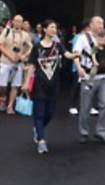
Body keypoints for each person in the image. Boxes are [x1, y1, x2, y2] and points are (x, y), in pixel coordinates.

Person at [22, 20, 79, 154]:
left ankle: (38, 128)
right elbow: (31, 65)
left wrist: (75, 54)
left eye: (55, 27)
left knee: (50, 112)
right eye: (52, 27)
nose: (54, 29)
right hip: (39, 83)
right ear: (45, 29)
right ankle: (42, 141)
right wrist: (26, 82)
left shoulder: (58, 45)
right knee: (40, 112)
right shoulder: (37, 47)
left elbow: (67, 54)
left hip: (54, 83)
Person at [74, 16, 105, 145]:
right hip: (88, 76)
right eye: (98, 23)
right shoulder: (83, 38)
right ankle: (84, 132)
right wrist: (79, 67)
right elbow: (76, 54)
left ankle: (101, 132)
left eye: (102, 23)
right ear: (90, 25)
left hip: (103, 76)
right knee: (85, 106)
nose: (101, 25)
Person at [0, 15, 33, 114]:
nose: (18, 23)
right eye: (16, 21)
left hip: (18, 63)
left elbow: (31, 46)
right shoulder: (6, 31)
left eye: (20, 22)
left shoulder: (25, 35)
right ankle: (3, 97)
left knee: (15, 85)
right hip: (5, 62)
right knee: (2, 85)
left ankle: (10, 105)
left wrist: (25, 55)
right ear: (12, 22)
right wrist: (9, 56)